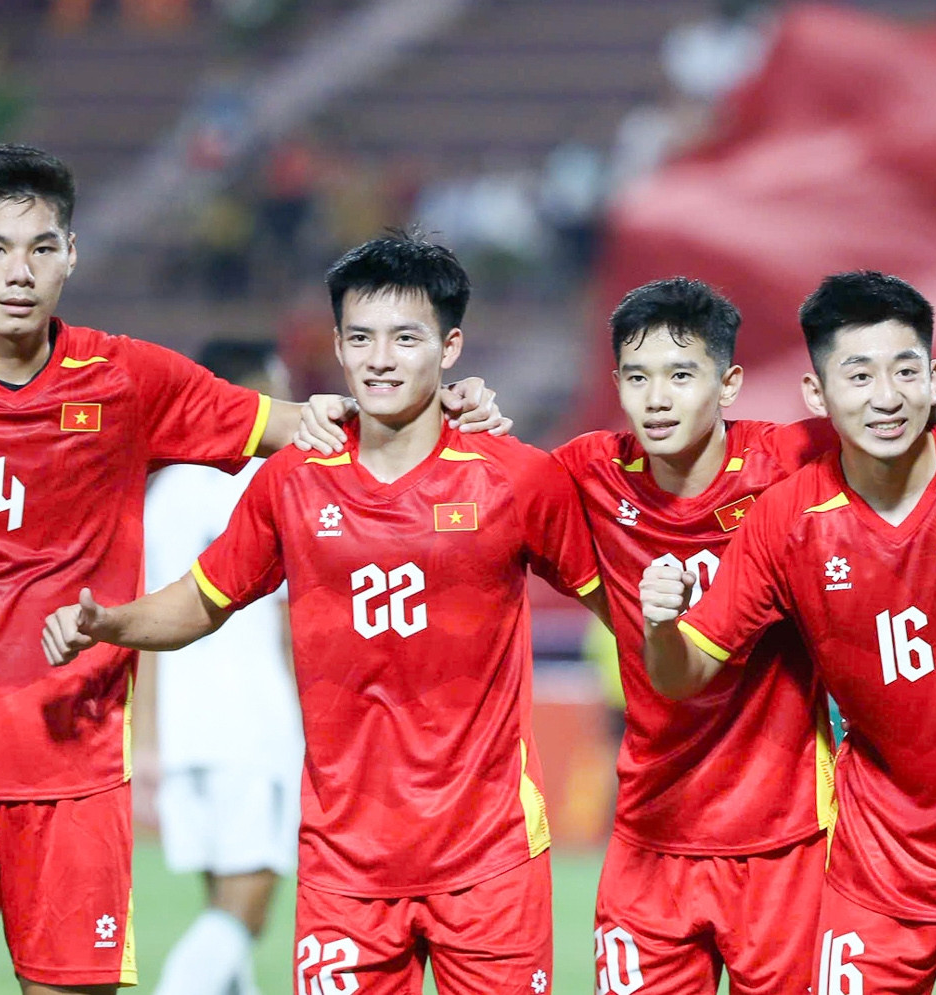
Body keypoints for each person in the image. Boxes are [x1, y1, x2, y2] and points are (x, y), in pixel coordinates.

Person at [0, 145, 499, 995]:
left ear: (71, 256)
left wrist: (442, 405)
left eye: (41, 247)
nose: (18, 271)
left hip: (75, 773)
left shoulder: (126, 378)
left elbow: (301, 424)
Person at [39, 233, 597, 995]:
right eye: (360, 337)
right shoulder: (293, 478)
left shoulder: (516, 479)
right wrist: (111, 623)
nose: (380, 359)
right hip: (344, 864)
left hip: (488, 857)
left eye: (406, 338)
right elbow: (202, 599)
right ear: (335, 345)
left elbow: (618, 603)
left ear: (451, 347)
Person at [550, 276, 936, 994]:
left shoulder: (788, 460)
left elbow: (920, 407)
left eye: (681, 374)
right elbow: (489, 481)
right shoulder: (585, 471)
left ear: (729, 383)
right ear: (615, 384)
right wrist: (443, 410)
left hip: (792, 829)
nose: (659, 398)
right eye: (639, 378)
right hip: (651, 823)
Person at [143, 340, 304, 995]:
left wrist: (147, 736)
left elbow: (146, 616)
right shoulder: (265, 480)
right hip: (254, 716)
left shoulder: (168, 489)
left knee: (220, 897)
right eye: (278, 382)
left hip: (186, 724)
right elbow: (286, 624)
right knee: (247, 906)